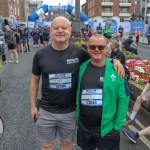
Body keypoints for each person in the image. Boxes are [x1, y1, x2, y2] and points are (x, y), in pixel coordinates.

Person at [30, 16, 125, 150]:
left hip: (70, 112)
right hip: (46, 110)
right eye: (56, 28)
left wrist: (114, 61)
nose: (60, 30)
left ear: (70, 30)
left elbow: (97, 56)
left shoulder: (80, 53)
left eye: (64, 27)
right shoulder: (40, 54)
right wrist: (33, 106)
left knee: (67, 145)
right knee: (46, 145)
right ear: (50, 31)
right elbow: (34, 81)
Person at [76, 34, 130, 150]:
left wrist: (117, 126)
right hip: (84, 127)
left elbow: (123, 99)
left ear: (106, 49)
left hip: (108, 128)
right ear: (88, 48)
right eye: (93, 47)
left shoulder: (117, 70)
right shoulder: (80, 68)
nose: (96, 49)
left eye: (100, 47)